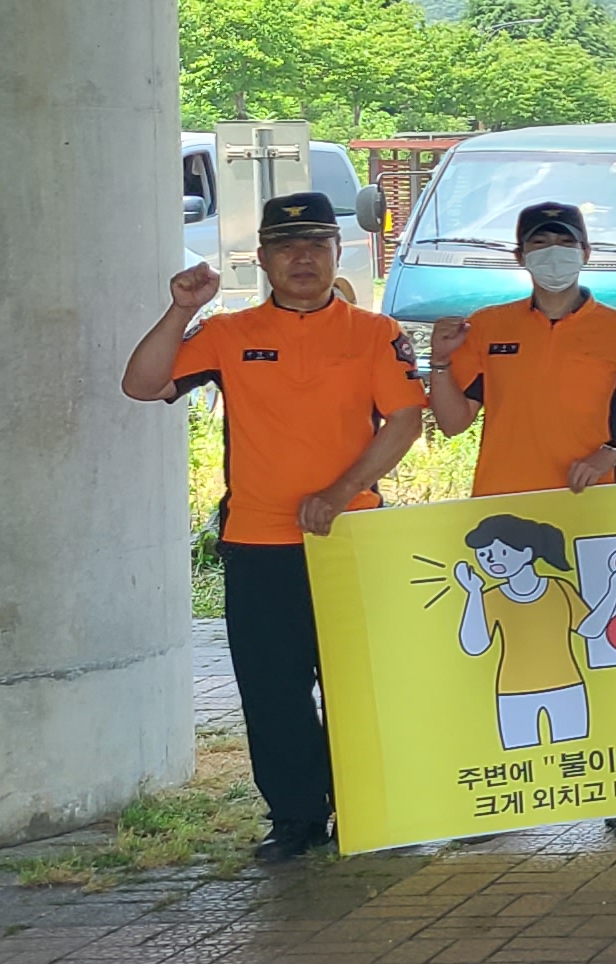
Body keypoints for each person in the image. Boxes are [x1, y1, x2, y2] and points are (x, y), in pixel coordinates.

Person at [121, 193, 427, 862]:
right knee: (272, 690)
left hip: (351, 539)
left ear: (338, 253)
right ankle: (295, 818)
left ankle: (370, 811)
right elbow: (142, 385)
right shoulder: (229, 333)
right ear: (262, 259)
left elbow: (406, 419)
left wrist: (340, 492)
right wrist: (181, 310)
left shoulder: (374, 332)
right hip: (258, 542)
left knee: (359, 684)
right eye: (286, 247)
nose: (302, 258)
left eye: (316, 244)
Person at [425, 200, 616, 839]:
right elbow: (452, 422)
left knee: (598, 648)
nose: (553, 256)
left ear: (586, 253)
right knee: (503, 656)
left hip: (590, 512)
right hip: (503, 517)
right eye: (539, 245)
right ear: (520, 257)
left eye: (565, 244)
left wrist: (611, 453)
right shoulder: (488, 327)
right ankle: (504, 793)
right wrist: (439, 362)